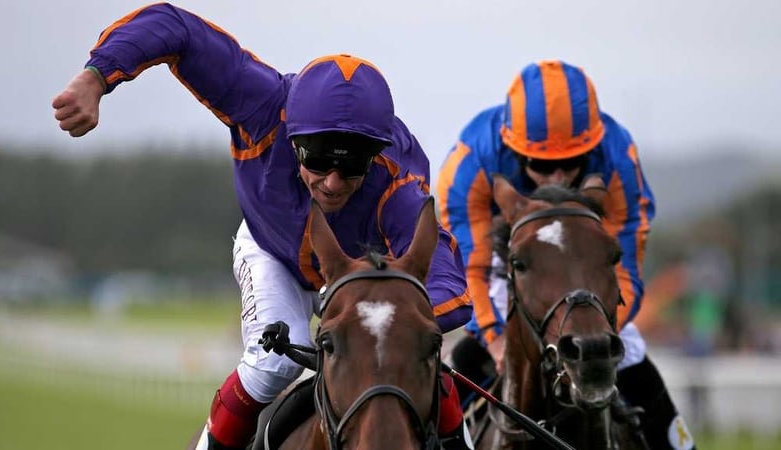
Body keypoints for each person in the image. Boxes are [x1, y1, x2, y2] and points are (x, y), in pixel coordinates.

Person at [52, 4, 474, 449]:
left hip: (366, 278)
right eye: (316, 158)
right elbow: (175, 28)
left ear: (375, 154)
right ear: (292, 136)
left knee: (414, 353)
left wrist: (384, 320)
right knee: (274, 363)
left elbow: (450, 288)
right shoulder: (259, 101)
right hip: (271, 246)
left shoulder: (401, 177)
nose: (331, 182)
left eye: (351, 166)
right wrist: (97, 76)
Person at [437, 60, 696, 450]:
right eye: (541, 165)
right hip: (505, 262)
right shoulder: (470, 159)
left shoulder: (618, 155)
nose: (557, 177)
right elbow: (471, 268)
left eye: (571, 162)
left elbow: (624, 268)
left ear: (592, 146)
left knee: (634, 360)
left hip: (585, 269)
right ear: (512, 147)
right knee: (462, 364)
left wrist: (601, 329)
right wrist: (496, 341)